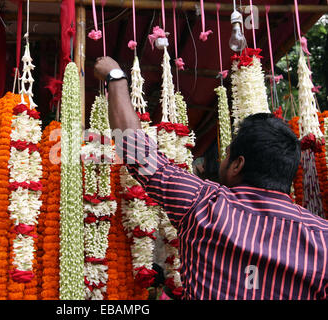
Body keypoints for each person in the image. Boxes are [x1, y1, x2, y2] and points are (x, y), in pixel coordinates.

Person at [94, 56, 328, 300]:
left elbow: (135, 151)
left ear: (238, 165)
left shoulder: (204, 204)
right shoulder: (321, 237)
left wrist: (116, 77)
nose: (222, 161)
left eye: (227, 155)